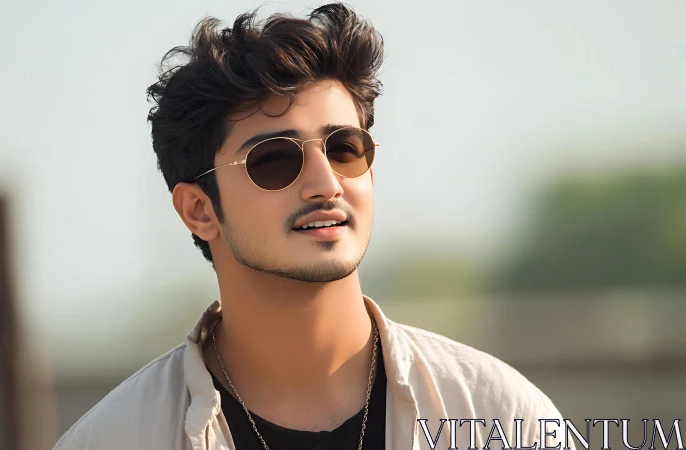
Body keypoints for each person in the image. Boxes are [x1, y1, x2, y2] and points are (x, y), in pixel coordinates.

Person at [53, 3, 568, 450]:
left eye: (345, 149)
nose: (326, 183)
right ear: (198, 210)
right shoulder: (114, 440)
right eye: (274, 160)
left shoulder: (496, 418)